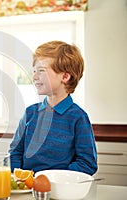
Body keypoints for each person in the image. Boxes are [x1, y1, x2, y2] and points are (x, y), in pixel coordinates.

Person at [9, 40, 97, 175]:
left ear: (65, 76)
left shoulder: (78, 117)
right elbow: (15, 152)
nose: (35, 77)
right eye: (34, 71)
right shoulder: (30, 113)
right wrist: (17, 177)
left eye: (41, 71)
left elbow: (87, 164)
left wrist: (53, 178)